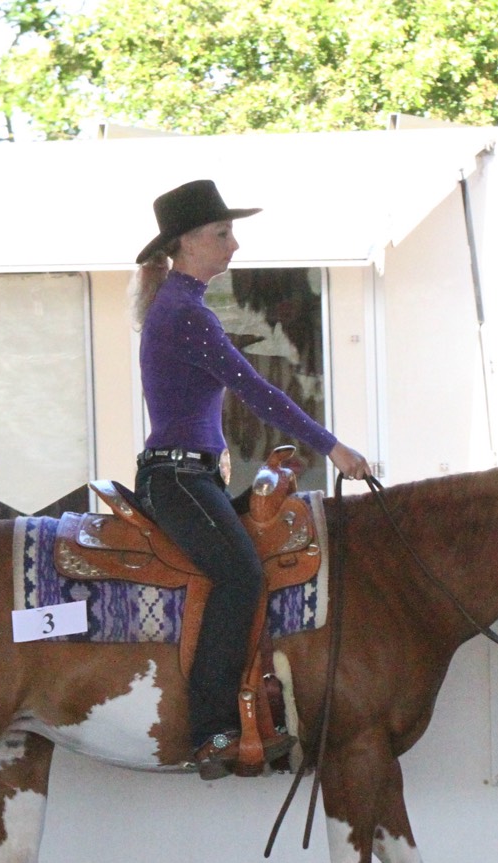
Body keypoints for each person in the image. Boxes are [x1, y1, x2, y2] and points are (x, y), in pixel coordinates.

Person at [131, 179, 373, 780]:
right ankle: (212, 728)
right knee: (239, 574)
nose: (234, 245)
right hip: (179, 480)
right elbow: (257, 391)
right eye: (222, 234)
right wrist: (333, 448)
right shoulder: (186, 314)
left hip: (192, 477)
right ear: (186, 244)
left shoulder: (183, 308)